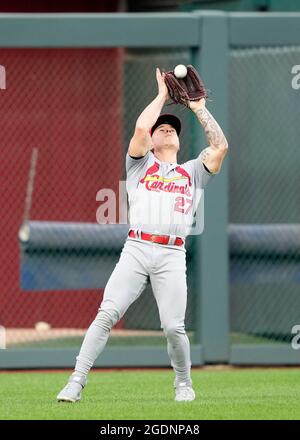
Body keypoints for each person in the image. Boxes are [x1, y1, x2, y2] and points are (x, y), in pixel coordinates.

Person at [57, 67, 228, 403]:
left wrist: (198, 109)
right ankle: (75, 382)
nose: (166, 130)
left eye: (171, 128)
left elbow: (220, 146)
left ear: (179, 140)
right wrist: (162, 96)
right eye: (161, 128)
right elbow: (139, 127)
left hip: (171, 254)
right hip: (136, 249)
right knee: (106, 314)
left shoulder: (192, 171)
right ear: (151, 139)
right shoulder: (140, 165)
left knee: (173, 327)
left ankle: (183, 384)